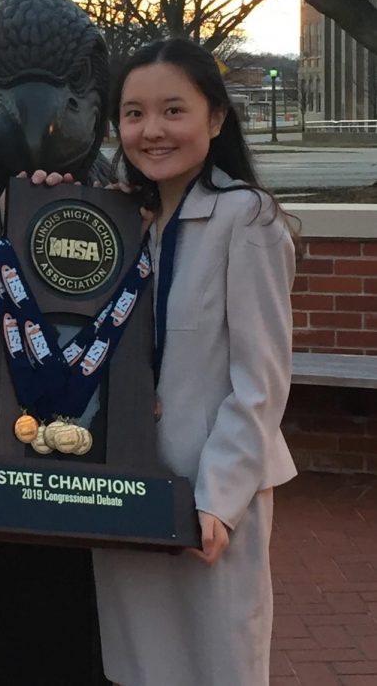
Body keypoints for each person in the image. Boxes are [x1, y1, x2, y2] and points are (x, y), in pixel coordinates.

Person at [92, 38, 297, 686]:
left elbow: (260, 382)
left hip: (208, 502)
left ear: (214, 118)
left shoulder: (246, 219)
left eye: (172, 110)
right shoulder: (126, 225)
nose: (150, 130)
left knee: (218, 668)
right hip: (128, 492)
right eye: (132, 113)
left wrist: (217, 499)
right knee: (138, 668)